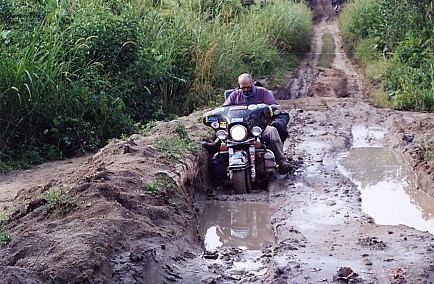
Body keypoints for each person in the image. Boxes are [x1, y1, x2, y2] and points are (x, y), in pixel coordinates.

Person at [203, 73, 292, 174]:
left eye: (248, 87)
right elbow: (224, 109)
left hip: (258, 127)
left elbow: (274, 106)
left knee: (273, 131)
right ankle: (216, 148)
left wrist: (273, 110)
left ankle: (281, 161)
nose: (245, 90)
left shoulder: (262, 92)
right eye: (243, 88)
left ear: (252, 83)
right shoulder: (234, 95)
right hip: (238, 128)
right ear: (239, 85)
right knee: (222, 133)